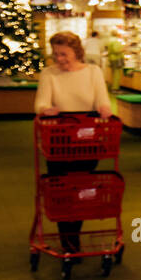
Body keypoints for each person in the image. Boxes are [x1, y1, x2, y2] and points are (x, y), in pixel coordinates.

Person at [34, 32, 114, 256]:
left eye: (64, 54)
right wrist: (45, 110)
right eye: (56, 54)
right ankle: (68, 240)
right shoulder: (48, 74)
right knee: (61, 190)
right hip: (58, 139)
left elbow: (102, 99)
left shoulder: (93, 72)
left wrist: (105, 109)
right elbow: (40, 102)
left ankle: (72, 237)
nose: (59, 59)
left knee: (80, 189)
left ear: (76, 52)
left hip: (87, 139)